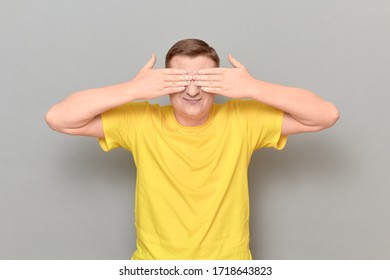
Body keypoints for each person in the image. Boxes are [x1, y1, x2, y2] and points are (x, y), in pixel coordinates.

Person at [46, 38, 339, 260]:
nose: (192, 90)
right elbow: (58, 118)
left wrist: (253, 88)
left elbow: (325, 114)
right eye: (181, 79)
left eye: (203, 79)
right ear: (164, 83)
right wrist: (132, 90)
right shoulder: (141, 121)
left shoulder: (243, 118)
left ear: (219, 81)